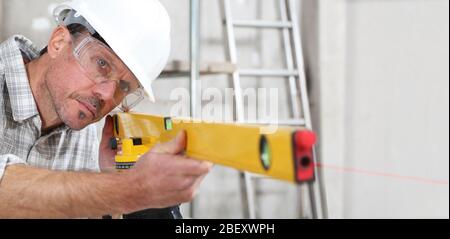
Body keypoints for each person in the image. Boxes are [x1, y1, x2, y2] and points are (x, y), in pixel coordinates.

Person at [0, 0, 212, 218]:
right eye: (102, 64)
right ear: (58, 42)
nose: (108, 95)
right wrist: (129, 189)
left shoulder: (99, 137)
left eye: (124, 87)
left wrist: (118, 194)